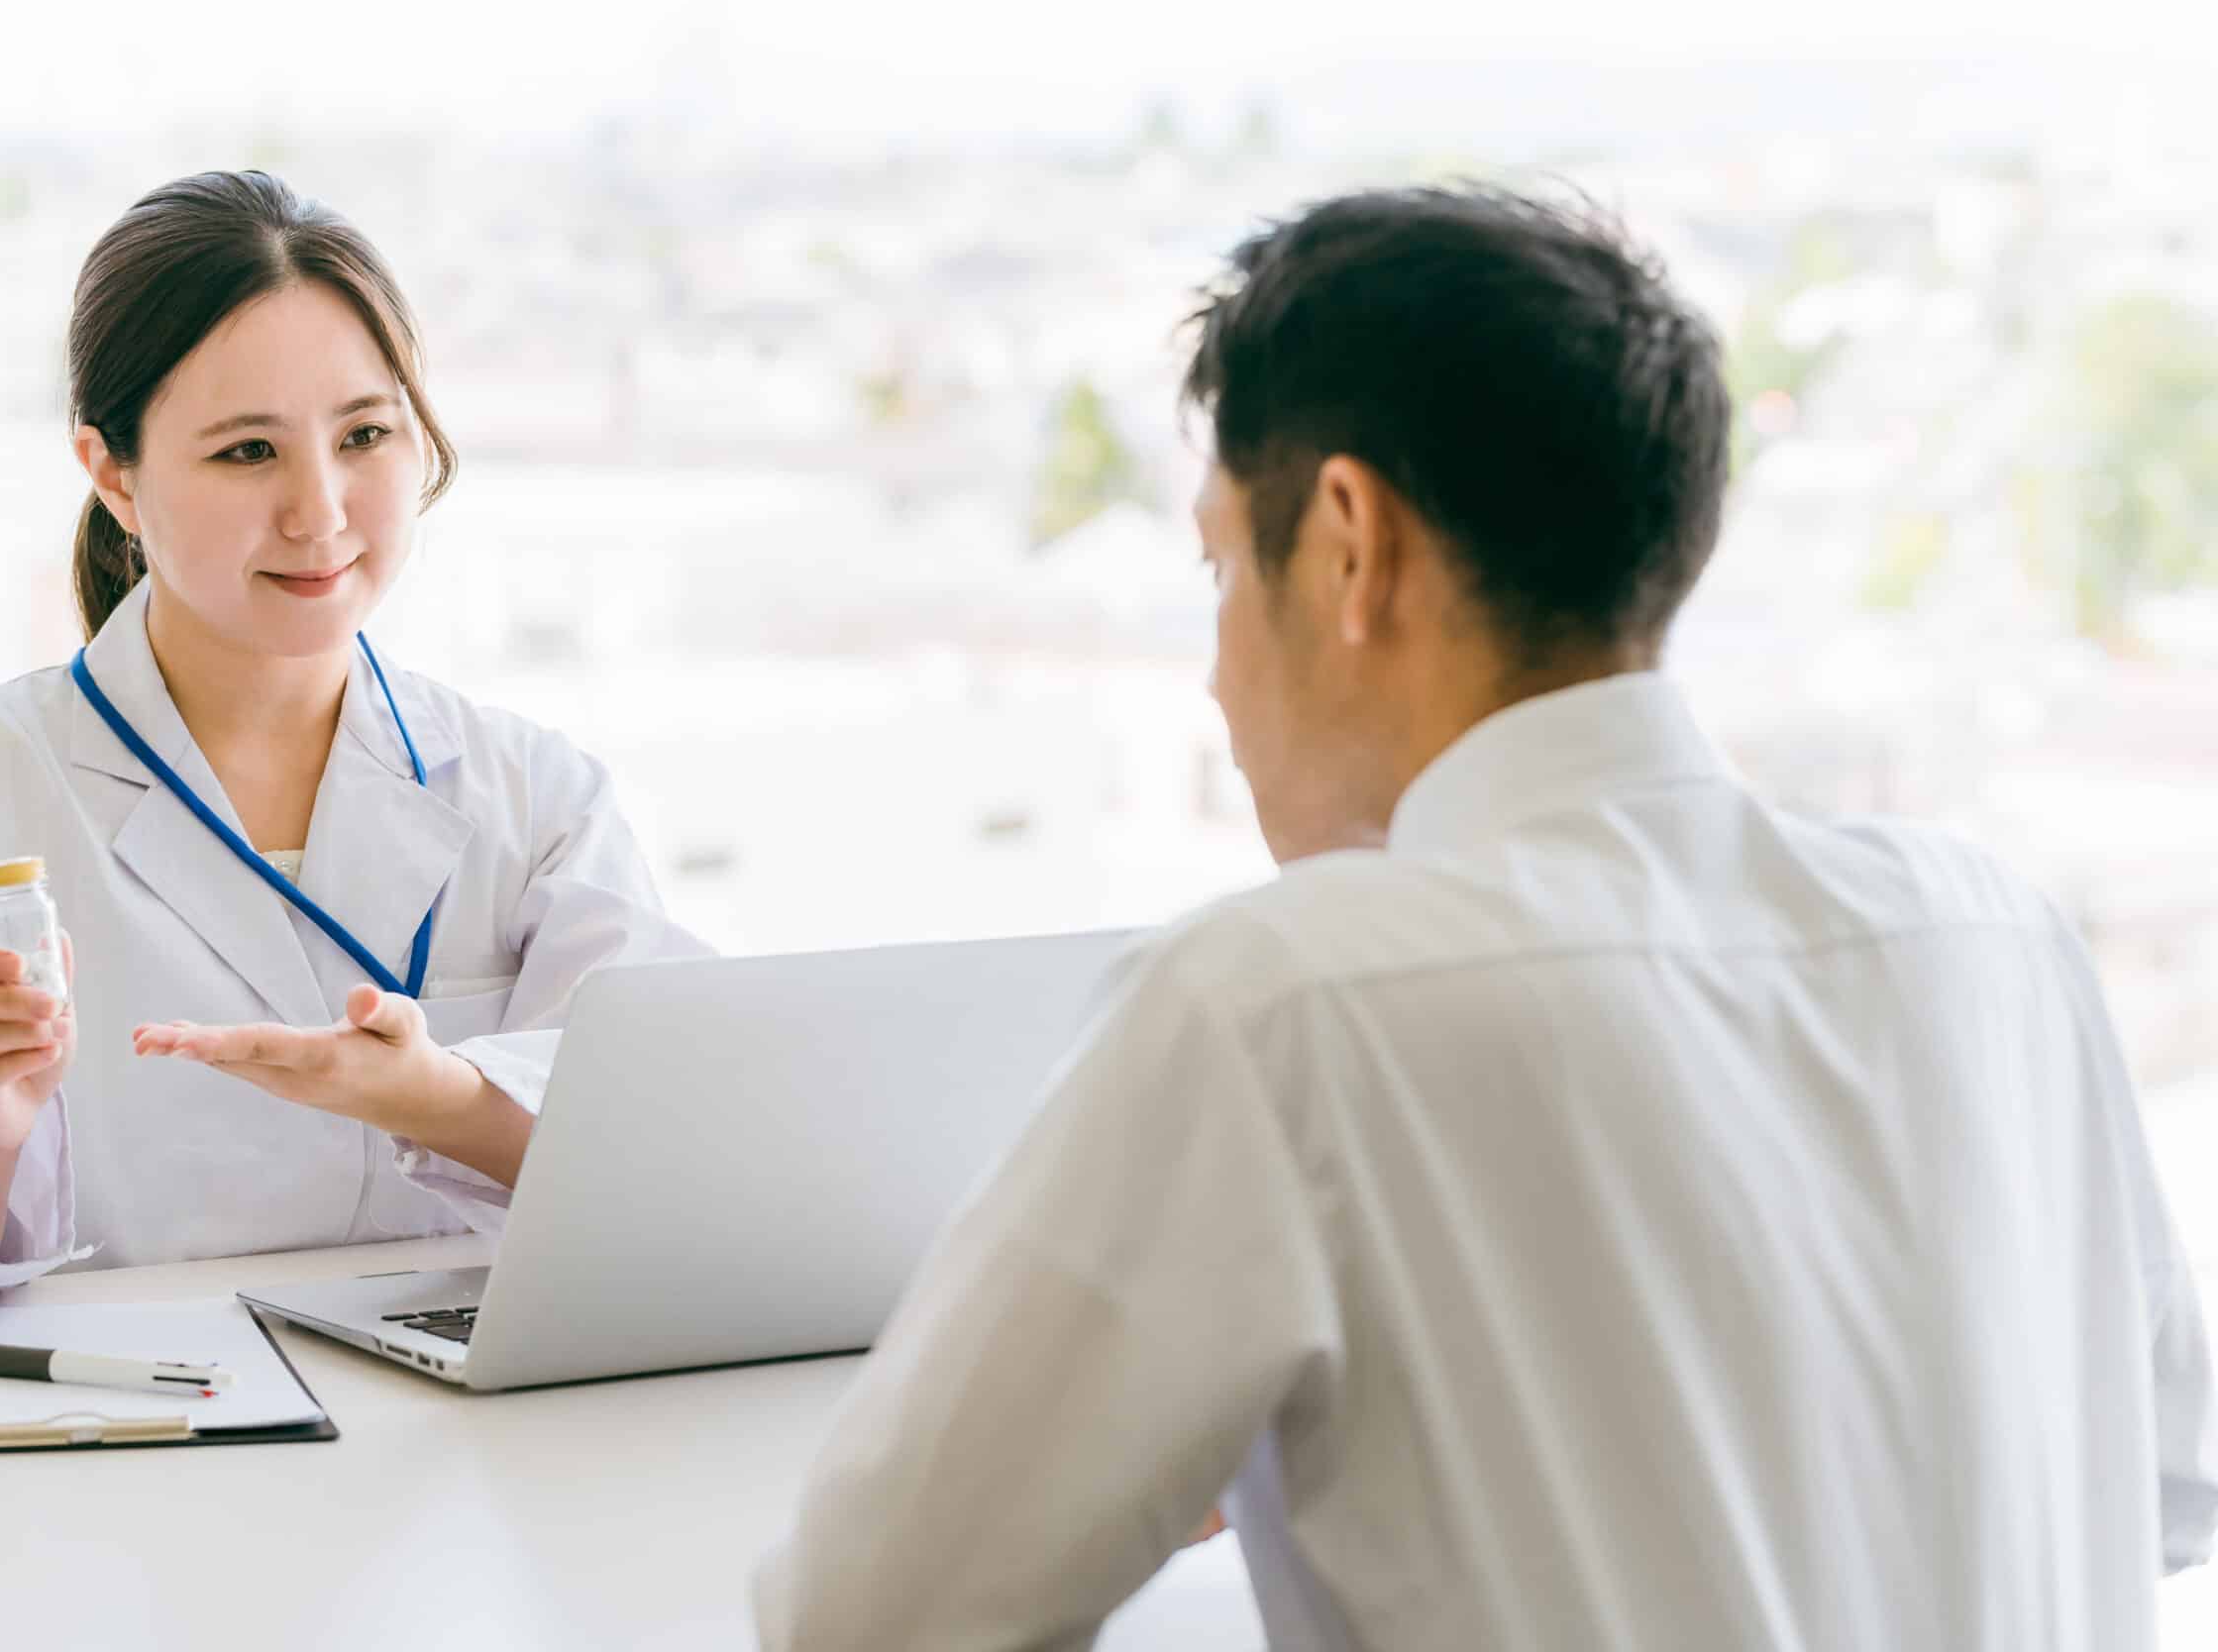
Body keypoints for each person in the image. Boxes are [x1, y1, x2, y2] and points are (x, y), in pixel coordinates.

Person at [756, 187, 2216, 1649]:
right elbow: (2164, 1488)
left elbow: (868, 1620)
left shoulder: (1282, 1008)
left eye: (1217, 572)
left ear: (1345, 542)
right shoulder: (1995, 940)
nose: (1212, 676)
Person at [0, 170, 704, 1297]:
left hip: (466, 1428)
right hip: (110, 1426)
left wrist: (432, 1100)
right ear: (113, 473)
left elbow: (669, 1174)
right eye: (249, 452)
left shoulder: (538, 797)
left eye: (364, 435)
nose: (321, 512)